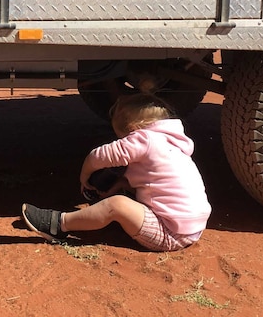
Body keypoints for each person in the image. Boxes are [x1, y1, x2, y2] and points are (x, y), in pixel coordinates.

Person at [21, 93, 211, 252]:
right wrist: (121, 184)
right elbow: (156, 183)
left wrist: (84, 175)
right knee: (124, 195)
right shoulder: (172, 142)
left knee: (116, 205)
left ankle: (58, 224)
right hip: (192, 228)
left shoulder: (144, 139)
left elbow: (98, 156)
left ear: (132, 129)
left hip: (170, 232)